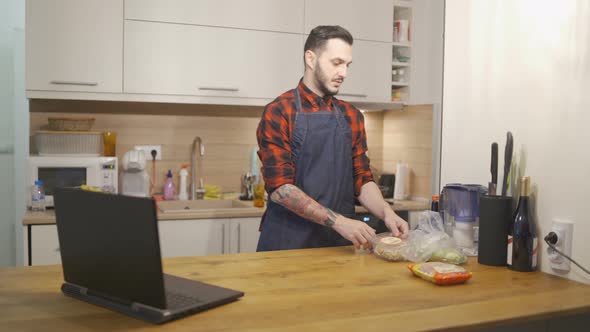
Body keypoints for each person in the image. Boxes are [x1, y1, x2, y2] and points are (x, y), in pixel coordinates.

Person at [256, 25, 408, 252]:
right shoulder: (279, 111)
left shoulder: (351, 116)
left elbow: (362, 179)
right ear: (310, 58)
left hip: (339, 244)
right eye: (336, 63)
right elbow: (280, 188)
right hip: (287, 243)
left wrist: (387, 212)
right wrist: (339, 222)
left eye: (347, 65)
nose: (344, 73)